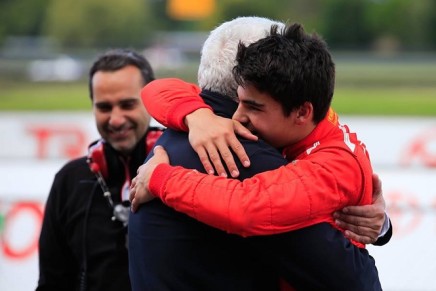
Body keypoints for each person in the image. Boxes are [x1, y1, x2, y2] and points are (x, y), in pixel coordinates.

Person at [130, 18, 388, 290]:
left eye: (253, 107)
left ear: (302, 112)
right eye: (239, 102)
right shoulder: (293, 119)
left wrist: (161, 178)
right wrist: (196, 116)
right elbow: (157, 89)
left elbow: (246, 208)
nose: (238, 117)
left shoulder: (329, 165)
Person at [36, 48, 162, 291]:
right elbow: (51, 282)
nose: (116, 119)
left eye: (127, 105)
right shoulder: (69, 181)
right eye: (104, 107)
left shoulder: (182, 168)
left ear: (151, 101)